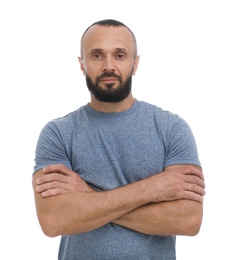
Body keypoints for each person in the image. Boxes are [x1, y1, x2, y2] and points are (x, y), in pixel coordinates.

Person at [32, 19, 205, 260]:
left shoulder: (171, 128)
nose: (109, 66)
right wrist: (154, 188)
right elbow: (53, 221)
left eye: (120, 55)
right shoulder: (58, 133)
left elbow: (188, 220)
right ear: (82, 64)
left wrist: (87, 197)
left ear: (135, 63)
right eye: (97, 55)